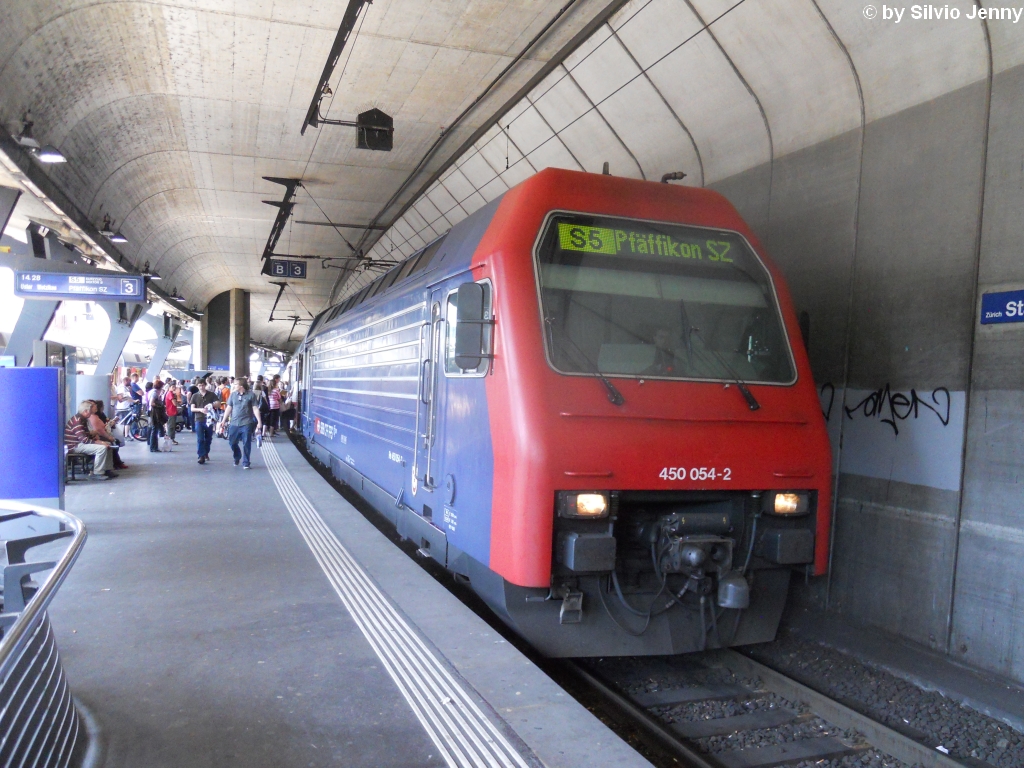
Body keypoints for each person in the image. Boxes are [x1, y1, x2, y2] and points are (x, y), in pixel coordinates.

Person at [66, 402, 115, 480]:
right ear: (85, 411)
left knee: (107, 444)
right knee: (101, 448)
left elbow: (85, 435)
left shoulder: (81, 419)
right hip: (74, 446)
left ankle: (106, 469)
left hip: (79, 443)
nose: (91, 412)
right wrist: (100, 442)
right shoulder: (77, 421)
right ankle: (98, 473)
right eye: (90, 411)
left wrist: (96, 438)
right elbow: (84, 439)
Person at [220, 377, 261, 469]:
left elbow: (255, 408)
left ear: (241, 386)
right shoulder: (233, 395)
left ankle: (246, 462)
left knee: (246, 443)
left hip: (247, 422)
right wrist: (223, 420)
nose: (233, 386)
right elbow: (229, 408)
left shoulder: (251, 395)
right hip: (234, 423)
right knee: (232, 442)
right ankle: (237, 456)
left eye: (235, 384)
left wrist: (259, 421)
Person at [86, 400, 129, 470]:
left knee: (111, 442)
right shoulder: (91, 418)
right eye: (93, 406)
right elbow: (97, 431)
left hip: (94, 437)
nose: (95, 407)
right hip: (93, 438)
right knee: (109, 443)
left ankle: (110, 466)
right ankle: (107, 467)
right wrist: (106, 438)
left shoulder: (94, 416)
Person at [190, 378, 219, 464]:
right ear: (197, 386)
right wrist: (200, 410)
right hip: (199, 419)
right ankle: (201, 456)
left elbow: (218, 403)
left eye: (202, 385)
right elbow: (192, 409)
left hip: (209, 420)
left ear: (205, 385)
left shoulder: (211, 394)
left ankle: (206, 452)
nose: (201, 387)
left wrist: (212, 404)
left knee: (208, 438)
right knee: (200, 438)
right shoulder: (195, 396)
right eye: (199, 385)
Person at [148, 380, 167, 452]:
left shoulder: (152, 392)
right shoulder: (154, 393)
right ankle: (153, 447)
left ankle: (155, 446)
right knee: (154, 430)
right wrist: (159, 405)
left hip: (153, 413)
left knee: (155, 429)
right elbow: (151, 403)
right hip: (155, 414)